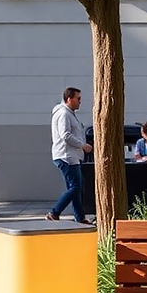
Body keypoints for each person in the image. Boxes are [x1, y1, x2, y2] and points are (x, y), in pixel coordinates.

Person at [46, 86, 93, 223]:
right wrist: (82, 145)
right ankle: (54, 212)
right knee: (76, 187)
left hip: (70, 155)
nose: (80, 101)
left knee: (74, 188)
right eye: (78, 99)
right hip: (67, 156)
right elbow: (65, 135)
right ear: (69, 99)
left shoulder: (68, 113)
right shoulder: (64, 114)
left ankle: (80, 217)